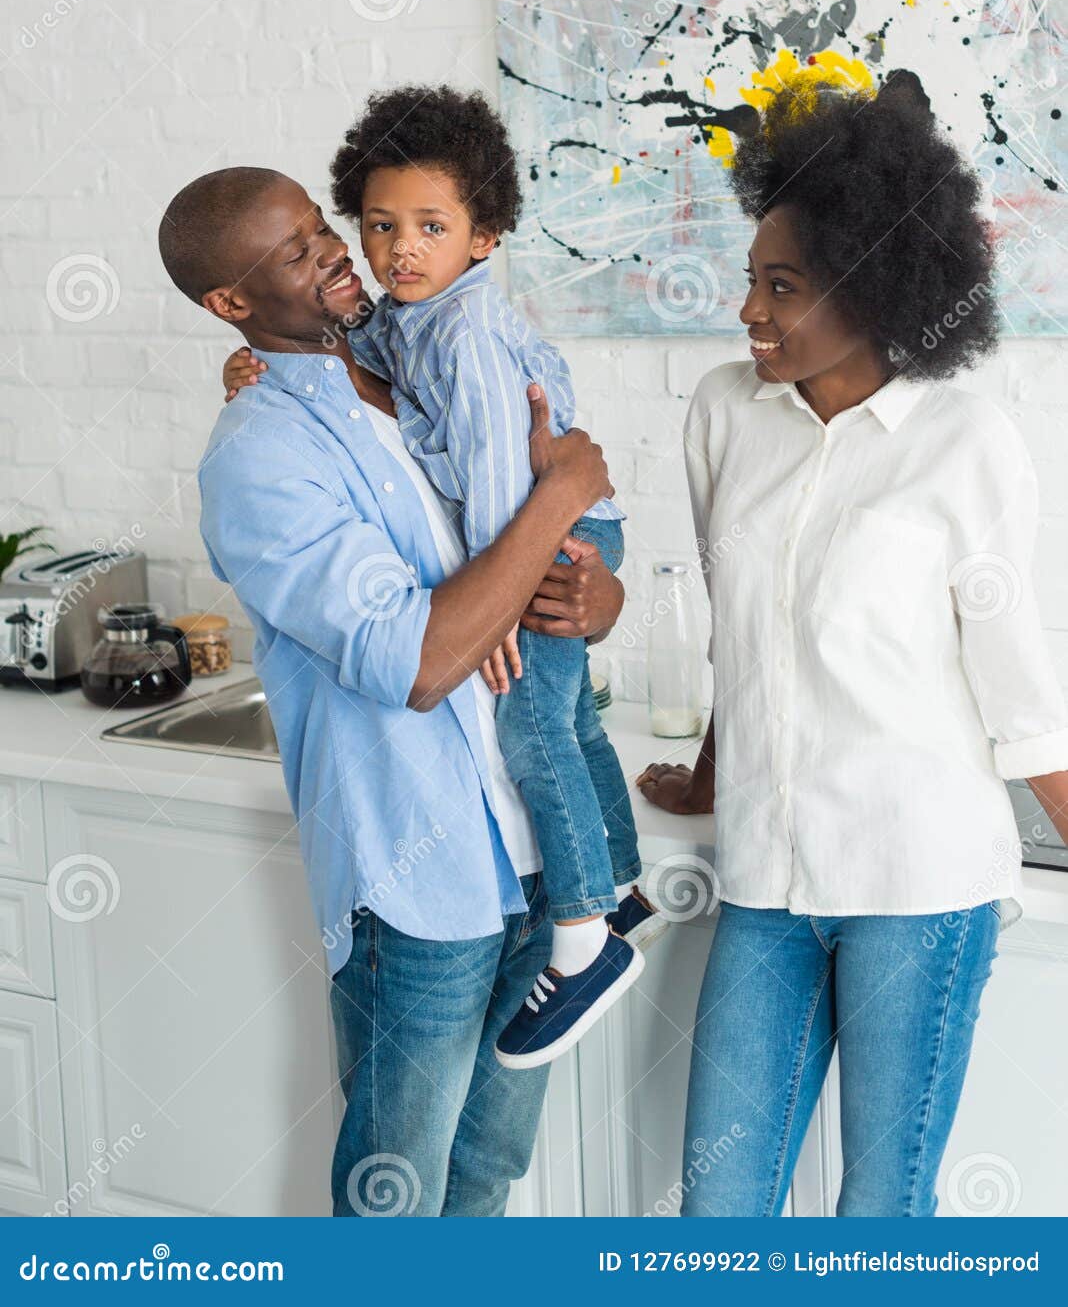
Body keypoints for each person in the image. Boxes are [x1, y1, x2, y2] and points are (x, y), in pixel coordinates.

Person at [639, 69, 1068, 1218]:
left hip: (918, 884)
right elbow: (748, 630)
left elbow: (1019, 693)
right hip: (767, 881)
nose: (749, 312)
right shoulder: (725, 412)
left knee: (881, 1217)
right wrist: (713, 774)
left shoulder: (967, 442)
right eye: (750, 280)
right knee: (718, 1214)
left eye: (782, 287)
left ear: (875, 287)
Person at [158, 167, 623, 1216]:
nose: (333, 251)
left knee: (488, 1176)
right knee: (394, 1199)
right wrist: (562, 496)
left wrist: (595, 589)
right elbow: (417, 658)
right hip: (421, 887)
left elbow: (529, 583)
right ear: (229, 306)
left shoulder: (410, 371)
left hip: (531, 856)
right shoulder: (260, 456)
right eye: (293, 251)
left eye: (320, 229)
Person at [224, 88, 660, 1070]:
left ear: (485, 238)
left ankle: (588, 934)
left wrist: (516, 583)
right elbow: (417, 664)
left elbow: (506, 477)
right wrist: (247, 364)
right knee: (566, 719)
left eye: (428, 226)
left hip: (549, 537)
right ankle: (617, 885)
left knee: (542, 721)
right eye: (374, 226)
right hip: (433, 865)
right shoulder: (380, 346)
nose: (382, 251)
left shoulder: (455, 334)